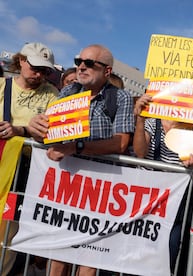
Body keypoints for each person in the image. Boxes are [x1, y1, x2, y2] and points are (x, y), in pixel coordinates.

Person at [28, 44, 135, 276]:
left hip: (99, 189)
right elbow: (49, 133)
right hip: (65, 183)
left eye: (89, 63)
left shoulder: (121, 97)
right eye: (78, 61)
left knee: (89, 254)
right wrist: (35, 128)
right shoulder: (67, 92)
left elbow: (120, 143)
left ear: (107, 71)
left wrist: (74, 147)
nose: (81, 67)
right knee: (58, 251)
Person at [0, 42, 58, 276]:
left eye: (45, 70)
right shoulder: (3, 86)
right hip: (3, 163)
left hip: (24, 173)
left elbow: (52, 132)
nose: (39, 74)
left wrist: (19, 131)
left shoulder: (52, 95)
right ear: (21, 61)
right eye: (35, 67)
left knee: (8, 230)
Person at [132, 93, 193, 274]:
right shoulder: (152, 121)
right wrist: (140, 119)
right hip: (148, 195)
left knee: (168, 248)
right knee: (140, 246)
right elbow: (141, 152)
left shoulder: (192, 126)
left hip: (175, 199)